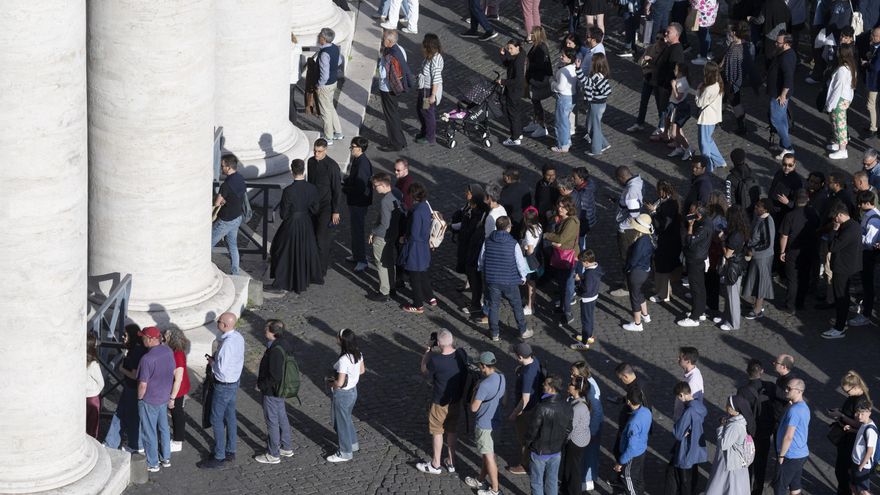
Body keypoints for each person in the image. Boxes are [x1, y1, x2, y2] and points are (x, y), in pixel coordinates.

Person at [416, 329, 467, 474]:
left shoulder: (436, 361)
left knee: (437, 431)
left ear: (438, 343)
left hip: (439, 403)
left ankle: (436, 464)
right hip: (456, 401)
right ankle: (451, 462)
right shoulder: (462, 354)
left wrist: (428, 350)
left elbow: (424, 371)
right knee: (452, 430)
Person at [270, 159, 324, 293]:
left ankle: (284, 279)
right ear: (303, 170)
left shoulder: (288, 190)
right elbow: (316, 208)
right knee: (305, 250)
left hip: (292, 223)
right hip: (306, 222)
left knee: (281, 249)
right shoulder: (311, 188)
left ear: (291, 171)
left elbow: (283, 213)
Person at [200, 312, 245, 469]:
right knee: (230, 415)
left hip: (224, 384)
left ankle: (219, 455)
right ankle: (230, 450)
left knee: (216, 419)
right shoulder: (238, 337)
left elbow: (221, 370)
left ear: (224, 325)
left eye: (218, 321)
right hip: (234, 382)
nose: (217, 323)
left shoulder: (226, 344)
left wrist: (212, 363)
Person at [479, 215, 532, 341]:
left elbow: (481, 259)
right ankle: (523, 330)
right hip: (510, 280)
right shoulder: (513, 243)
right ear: (508, 228)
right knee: (517, 305)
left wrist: (483, 270)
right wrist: (523, 276)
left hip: (492, 280)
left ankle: (494, 333)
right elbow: (520, 263)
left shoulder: (487, 241)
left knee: (493, 306)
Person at [254, 320, 297, 464]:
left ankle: (273, 454)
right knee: (281, 416)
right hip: (280, 390)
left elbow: (275, 375)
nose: (264, 332)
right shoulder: (284, 344)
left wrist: (262, 386)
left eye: (266, 329)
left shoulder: (275, 350)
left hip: (272, 391)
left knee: (272, 421)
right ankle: (286, 447)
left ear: (273, 332)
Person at [464, 352, 506, 495]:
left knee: (489, 457)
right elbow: (504, 401)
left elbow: (474, 408)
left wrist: (475, 389)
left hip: (484, 425)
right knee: (488, 455)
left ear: (483, 366)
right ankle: (480, 480)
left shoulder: (484, 385)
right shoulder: (502, 377)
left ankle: (495, 490)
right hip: (497, 422)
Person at [525, 375, 573, 495]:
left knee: (537, 482)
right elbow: (569, 428)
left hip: (539, 451)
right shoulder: (567, 405)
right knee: (552, 481)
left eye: (545, 384)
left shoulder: (541, 407)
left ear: (551, 388)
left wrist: (527, 443)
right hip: (556, 451)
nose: (543, 385)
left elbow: (533, 430)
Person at [136, 326, 175, 473]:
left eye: (143, 337)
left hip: (150, 399)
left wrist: (140, 398)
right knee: (164, 428)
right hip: (164, 397)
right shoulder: (168, 351)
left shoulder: (147, 359)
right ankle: (165, 458)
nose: (142, 339)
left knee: (149, 432)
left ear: (151, 339)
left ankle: (152, 463)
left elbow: (142, 385)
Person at [104, 324, 147, 453]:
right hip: (130, 388)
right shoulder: (136, 349)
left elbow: (135, 375)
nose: (123, 337)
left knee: (129, 416)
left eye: (125, 334)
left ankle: (134, 445)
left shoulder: (136, 352)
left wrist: (122, 369)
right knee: (121, 414)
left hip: (132, 389)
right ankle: (112, 442)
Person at [822, 202, 862, 339]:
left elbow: (832, 247)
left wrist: (833, 230)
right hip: (847, 266)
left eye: (835, 218)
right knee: (842, 296)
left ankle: (839, 327)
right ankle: (841, 320)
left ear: (840, 215)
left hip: (843, 268)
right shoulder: (853, 225)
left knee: (841, 297)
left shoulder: (848, 229)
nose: (834, 220)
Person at [828, 370, 871, 493]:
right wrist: (840, 412)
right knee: (841, 470)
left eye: (847, 391)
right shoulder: (854, 397)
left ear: (856, 387)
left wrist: (841, 416)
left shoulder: (861, 401)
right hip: (846, 439)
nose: (847, 393)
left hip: (851, 442)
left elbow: (859, 423)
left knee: (843, 472)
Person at [327, 328, 365, 463]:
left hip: (342, 395)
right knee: (346, 418)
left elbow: (340, 383)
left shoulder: (344, 359)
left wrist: (331, 383)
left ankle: (345, 452)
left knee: (339, 422)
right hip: (353, 392)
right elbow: (362, 371)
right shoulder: (358, 354)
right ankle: (353, 443)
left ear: (342, 341)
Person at [778, 190, 819, 315]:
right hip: (809, 249)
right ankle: (800, 303)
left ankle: (790, 305)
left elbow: (784, 236)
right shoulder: (814, 213)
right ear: (808, 200)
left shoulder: (790, 216)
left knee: (792, 279)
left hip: (793, 251)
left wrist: (782, 251)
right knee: (804, 277)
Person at [738, 359, 775, 490]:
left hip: (749, 432)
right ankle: (757, 490)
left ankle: (746, 488)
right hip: (765, 431)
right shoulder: (770, 386)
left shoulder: (743, 391)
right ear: (762, 371)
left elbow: (740, 411)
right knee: (762, 462)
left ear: (747, 372)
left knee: (747, 461)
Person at [307, 139, 343, 276]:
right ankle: (313, 265)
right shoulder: (310, 162)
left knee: (322, 238)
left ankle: (320, 270)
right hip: (313, 205)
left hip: (326, 207)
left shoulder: (332, 166)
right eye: (315, 151)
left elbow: (337, 190)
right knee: (313, 237)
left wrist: (336, 211)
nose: (316, 154)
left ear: (325, 150)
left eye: (319, 152)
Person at [508, 342, 544, 475]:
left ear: (520, 357)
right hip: (536, 404)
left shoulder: (528, 374)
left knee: (524, 438)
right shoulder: (535, 361)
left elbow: (525, 399)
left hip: (527, 410)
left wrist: (514, 413)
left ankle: (524, 465)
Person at [543, 196, 580, 326]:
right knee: (562, 283)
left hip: (567, 258)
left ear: (569, 208)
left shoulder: (571, 222)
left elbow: (561, 238)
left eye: (563, 207)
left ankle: (567, 314)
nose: (560, 209)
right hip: (561, 256)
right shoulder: (564, 219)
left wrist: (547, 236)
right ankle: (562, 308)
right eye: (559, 206)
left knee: (566, 286)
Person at [400, 182, 436, 313]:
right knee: (424, 273)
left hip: (415, 248)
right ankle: (431, 297)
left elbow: (414, 233)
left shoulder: (416, 212)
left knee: (414, 277)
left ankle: (418, 304)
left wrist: (404, 238)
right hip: (424, 247)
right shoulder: (425, 207)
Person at [666, 382, 708, 495]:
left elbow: (678, 434)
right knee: (692, 473)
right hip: (695, 446)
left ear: (681, 395)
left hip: (686, 448)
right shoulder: (699, 406)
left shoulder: (688, 411)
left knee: (684, 480)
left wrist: (678, 427)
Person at [368, 173, 404, 302]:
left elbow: (384, 225)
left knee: (381, 263)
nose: (374, 188)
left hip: (383, 236)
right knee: (389, 261)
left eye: (375, 185)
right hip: (394, 234)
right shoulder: (397, 192)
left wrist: (373, 232)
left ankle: (384, 291)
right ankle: (392, 286)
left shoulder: (385, 202)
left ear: (383, 185)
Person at [705, 395, 751, 494]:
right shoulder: (737, 420)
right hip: (733, 460)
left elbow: (723, 444)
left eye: (728, 405)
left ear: (734, 408)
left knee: (724, 486)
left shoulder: (735, 426)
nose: (726, 406)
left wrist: (721, 427)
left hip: (730, 462)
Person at [612, 166, 645, 297]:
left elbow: (634, 215)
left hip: (628, 230)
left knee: (626, 258)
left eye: (618, 180)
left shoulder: (631, 191)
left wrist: (622, 226)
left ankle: (627, 287)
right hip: (636, 227)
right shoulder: (639, 182)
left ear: (622, 178)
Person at [677, 205, 713, 327]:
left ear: (698, 215)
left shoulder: (703, 227)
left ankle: (695, 317)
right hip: (699, 258)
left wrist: (691, 226)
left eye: (693, 213)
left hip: (695, 259)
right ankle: (700, 311)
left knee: (696, 288)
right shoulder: (707, 221)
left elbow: (690, 240)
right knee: (700, 286)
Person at [848, 191, 880, 327]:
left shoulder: (873, 219)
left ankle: (866, 313)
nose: (859, 206)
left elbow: (869, 242)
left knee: (868, 285)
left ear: (868, 203)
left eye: (861, 203)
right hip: (866, 254)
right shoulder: (869, 215)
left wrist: (856, 237)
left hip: (869, 255)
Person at [378, 30, 413, 152]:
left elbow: (383, 74)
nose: (382, 41)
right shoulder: (400, 49)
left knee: (390, 116)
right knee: (395, 114)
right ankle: (401, 141)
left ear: (389, 41)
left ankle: (396, 143)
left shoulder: (388, 55)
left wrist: (380, 62)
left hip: (387, 88)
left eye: (384, 39)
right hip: (396, 87)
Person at [774, 378, 810, 495]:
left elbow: (788, 436)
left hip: (791, 455)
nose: (786, 390)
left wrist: (781, 455)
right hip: (801, 453)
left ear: (799, 391)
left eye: (789, 389)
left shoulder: (794, 410)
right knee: (795, 487)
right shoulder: (803, 407)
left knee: (780, 487)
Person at [212, 154, 246, 275]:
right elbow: (237, 196)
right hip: (237, 217)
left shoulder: (226, 185)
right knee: (232, 246)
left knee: (206, 244)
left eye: (223, 166)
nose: (221, 169)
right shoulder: (240, 178)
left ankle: (202, 271)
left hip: (225, 220)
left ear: (228, 167)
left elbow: (216, 203)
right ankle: (235, 273)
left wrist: (221, 200)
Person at [648, 180, 682, 302]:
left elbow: (663, 225)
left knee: (663, 267)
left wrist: (653, 213)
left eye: (659, 190)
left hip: (667, 241)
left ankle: (664, 294)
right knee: (663, 266)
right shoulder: (669, 200)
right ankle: (663, 289)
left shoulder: (669, 205)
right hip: (669, 240)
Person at [571, 362, 604, 491]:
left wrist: (591, 431)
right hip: (591, 423)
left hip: (592, 425)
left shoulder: (590, 388)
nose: (571, 375)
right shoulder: (588, 382)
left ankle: (586, 480)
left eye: (574, 372)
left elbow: (596, 411)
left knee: (589, 453)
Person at [614, 387, 653, 494]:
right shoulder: (646, 411)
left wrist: (621, 461)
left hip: (632, 455)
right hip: (641, 450)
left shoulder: (633, 423)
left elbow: (631, 448)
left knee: (628, 479)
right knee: (637, 479)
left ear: (629, 402)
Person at [343, 137, 373, 272]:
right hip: (355, 201)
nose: (350, 149)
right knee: (355, 230)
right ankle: (357, 255)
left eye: (352, 147)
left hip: (358, 202)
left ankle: (362, 259)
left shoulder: (363, 164)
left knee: (358, 231)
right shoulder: (358, 160)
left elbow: (360, 187)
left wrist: (345, 189)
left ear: (359, 149)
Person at [742, 199, 775, 319]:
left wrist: (753, 250)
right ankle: (755, 304)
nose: (755, 208)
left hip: (762, 257)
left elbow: (767, 243)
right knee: (754, 280)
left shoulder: (767, 221)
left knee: (760, 282)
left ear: (765, 209)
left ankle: (757, 309)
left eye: (758, 207)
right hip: (756, 256)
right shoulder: (759, 218)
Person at [652, 24, 686, 141]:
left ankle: (675, 138)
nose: (666, 34)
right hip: (664, 85)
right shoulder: (670, 46)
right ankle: (666, 133)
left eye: (668, 32)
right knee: (665, 112)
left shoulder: (676, 50)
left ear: (676, 35)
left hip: (668, 87)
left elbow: (675, 72)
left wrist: (670, 86)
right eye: (666, 31)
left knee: (670, 113)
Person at [721, 22, 756, 134]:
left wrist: (729, 81)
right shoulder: (748, 45)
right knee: (726, 99)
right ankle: (719, 118)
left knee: (734, 101)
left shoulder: (734, 48)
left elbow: (730, 67)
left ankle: (741, 127)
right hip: (739, 79)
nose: (729, 33)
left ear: (735, 33)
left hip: (731, 80)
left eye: (731, 31)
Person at [622, 214, 655, 332]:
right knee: (639, 292)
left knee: (634, 297)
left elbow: (634, 259)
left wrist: (627, 269)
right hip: (645, 271)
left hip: (637, 272)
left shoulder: (641, 241)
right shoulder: (648, 238)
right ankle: (645, 315)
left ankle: (637, 323)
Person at [629, 33, 667, 133]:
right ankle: (639, 123)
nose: (659, 41)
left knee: (660, 104)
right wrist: (644, 60)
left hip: (659, 81)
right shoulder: (650, 48)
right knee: (643, 102)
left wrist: (652, 60)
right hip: (648, 78)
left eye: (661, 39)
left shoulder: (667, 51)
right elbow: (640, 62)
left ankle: (662, 126)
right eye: (657, 38)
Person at [719, 205, 749, 330]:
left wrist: (721, 241)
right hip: (738, 264)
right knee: (730, 294)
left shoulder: (735, 235)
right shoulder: (742, 229)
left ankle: (734, 323)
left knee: (733, 296)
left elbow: (727, 254)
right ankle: (728, 317)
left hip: (733, 266)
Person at [826, 44, 858, 160]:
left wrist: (830, 105)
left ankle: (842, 150)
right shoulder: (851, 65)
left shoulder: (842, 69)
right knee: (836, 122)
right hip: (845, 98)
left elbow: (837, 89)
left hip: (839, 99)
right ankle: (837, 143)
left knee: (840, 124)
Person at [560, 373, 591, 495]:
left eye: (571, 384)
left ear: (577, 389)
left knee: (573, 470)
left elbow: (569, 428)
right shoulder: (578, 401)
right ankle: (565, 488)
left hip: (575, 442)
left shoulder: (578, 407)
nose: (569, 385)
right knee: (570, 467)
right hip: (580, 439)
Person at [767, 32, 796, 159]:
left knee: (776, 120)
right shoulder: (787, 53)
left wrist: (783, 94)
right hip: (778, 92)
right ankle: (783, 144)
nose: (775, 44)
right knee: (782, 119)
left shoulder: (785, 58)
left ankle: (788, 147)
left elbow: (788, 78)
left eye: (778, 43)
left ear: (786, 44)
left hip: (778, 94)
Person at [577, 53, 612, 156]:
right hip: (601, 104)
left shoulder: (596, 76)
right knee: (592, 125)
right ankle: (604, 144)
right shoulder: (603, 74)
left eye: (592, 61)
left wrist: (578, 68)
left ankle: (596, 149)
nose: (591, 62)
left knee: (594, 127)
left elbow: (584, 81)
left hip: (595, 104)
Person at [163, 326, 191, 453]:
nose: (164, 339)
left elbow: (178, 379)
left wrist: (172, 398)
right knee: (176, 413)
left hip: (177, 390)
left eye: (166, 337)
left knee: (177, 414)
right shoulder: (177, 352)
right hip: (179, 387)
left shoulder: (177, 355)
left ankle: (177, 441)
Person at [695, 61, 726, 171]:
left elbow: (699, 103)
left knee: (704, 144)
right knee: (708, 141)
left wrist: (698, 90)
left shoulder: (709, 88)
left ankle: (708, 166)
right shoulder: (718, 84)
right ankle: (719, 161)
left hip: (706, 119)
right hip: (713, 118)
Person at [315, 28, 344, 143]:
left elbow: (324, 74)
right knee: (330, 108)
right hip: (333, 82)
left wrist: (319, 84)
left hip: (325, 85)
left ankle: (329, 137)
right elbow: (339, 61)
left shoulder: (324, 53)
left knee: (325, 111)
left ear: (324, 39)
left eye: (320, 36)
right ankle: (338, 132)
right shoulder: (335, 48)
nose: (318, 37)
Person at [524, 27, 553, 139]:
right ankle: (536, 122)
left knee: (536, 100)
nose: (530, 35)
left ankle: (541, 126)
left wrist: (528, 63)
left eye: (532, 33)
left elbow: (541, 66)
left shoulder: (541, 48)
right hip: (534, 78)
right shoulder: (538, 46)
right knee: (535, 101)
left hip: (538, 79)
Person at [571, 250, 603, 350]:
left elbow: (586, 288)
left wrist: (579, 280)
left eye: (582, 262)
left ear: (586, 262)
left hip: (587, 298)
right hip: (594, 296)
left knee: (586, 321)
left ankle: (584, 343)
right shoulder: (597, 267)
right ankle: (589, 336)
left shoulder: (589, 273)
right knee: (589, 318)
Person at [416, 33, 444, 144]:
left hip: (428, 92)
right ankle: (424, 131)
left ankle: (430, 136)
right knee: (420, 110)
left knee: (427, 112)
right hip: (424, 90)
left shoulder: (435, 60)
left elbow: (436, 79)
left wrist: (433, 95)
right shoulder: (431, 56)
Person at [498, 39, 527, 146]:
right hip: (517, 91)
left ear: (517, 47)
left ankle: (515, 138)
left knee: (512, 114)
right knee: (516, 113)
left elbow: (517, 80)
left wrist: (503, 82)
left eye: (511, 48)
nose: (509, 50)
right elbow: (508, 64)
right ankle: (518, 133)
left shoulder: (518, 62)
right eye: (508, 48)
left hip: (514, 91)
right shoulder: (521, 54)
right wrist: (503, 55)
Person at [551, 48, 577, 153]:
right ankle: (567, 141)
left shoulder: (563, 71)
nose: (561, 57)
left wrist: (552, 83)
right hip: (572, 96)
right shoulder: (574, 68)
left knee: (560, 122)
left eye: (564, 56)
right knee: (566, 121)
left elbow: (560, 87)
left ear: (569, 58)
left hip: (564, 98)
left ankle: (562, 145)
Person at [666, 63, 694, 160]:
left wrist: (673, 86)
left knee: (674, 134)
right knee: (678, 130)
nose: (674, 71)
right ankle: (679, 148)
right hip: (676, 108)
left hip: (680, 108)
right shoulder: (680, 80)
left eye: (676, 69)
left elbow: (678, 98)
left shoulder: (683, 82)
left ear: (681, 72)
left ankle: (688, 149)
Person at [849, 397, 876, 495]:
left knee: (863, 491)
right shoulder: (864, 424)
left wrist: (861, 466)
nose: (859, 416)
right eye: (858, 413)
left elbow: (870, 451)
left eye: (862, 414)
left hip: (862, 465)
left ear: (869, 412)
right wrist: (852, 430)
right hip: (856, 461)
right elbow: (862, 435)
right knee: (853, 486)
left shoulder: (870, 430)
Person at [521, 207, 543, 315]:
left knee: (530, 283)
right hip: (537, 256)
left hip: (530, 259)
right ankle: (529, 301)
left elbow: (530, 250)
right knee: (530, 282)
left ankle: (530, 306)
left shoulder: (529, 233)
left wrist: (524, 247)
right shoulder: (539, 226)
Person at [725, 149, 760, 215]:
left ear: (732, 160)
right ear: (744, 158)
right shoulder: (752, 172)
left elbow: (729, 199)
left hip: (740, 212)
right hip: (754, 210)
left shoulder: (730, 178)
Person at [500, 167, 533, 236]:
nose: (503, 178)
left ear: (508, 178)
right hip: (524, 219)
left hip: (513, 222)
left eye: (504, 176)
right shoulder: (525, 187)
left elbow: (504, 209)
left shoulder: (505, 192)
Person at [86, 333, 103, 439]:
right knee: (93, 424)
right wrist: (97, 392)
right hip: (92, 397)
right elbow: (101, 382)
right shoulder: (93, 364)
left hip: (81, 397)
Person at [691, 0, 719, 65]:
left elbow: (707, 6)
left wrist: (694, 4)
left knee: (704, 38)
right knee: (705, 36)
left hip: (704, 19)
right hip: (706, 18)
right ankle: (707, 53)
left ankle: (703, 57)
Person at [864, 28, 880, 139]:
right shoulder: (874, 46)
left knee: (870, 105)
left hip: (875, 82)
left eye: (874, 35)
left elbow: (875, 67)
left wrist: (867, 63)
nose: (872, 37)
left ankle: (873, 128)